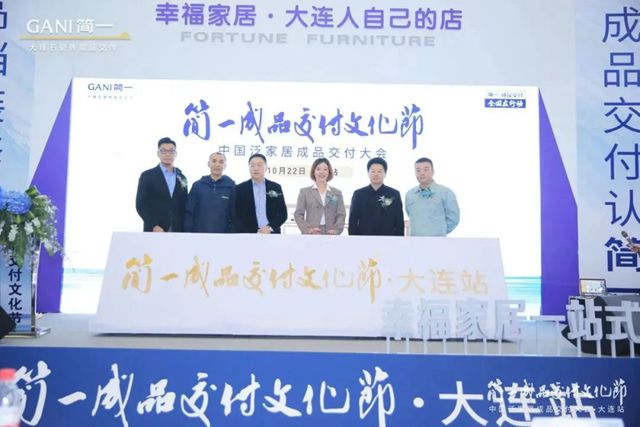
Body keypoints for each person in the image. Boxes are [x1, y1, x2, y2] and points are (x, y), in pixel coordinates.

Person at [135, 137, 188, 232]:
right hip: (155, 229)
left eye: (171, 151)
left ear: (176, 154)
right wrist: (153, 225)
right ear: (158, 153)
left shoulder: (182, 177)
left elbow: (184, 204)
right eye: (163, 151)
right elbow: (141, 205)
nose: (167, 154)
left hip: (177, 229)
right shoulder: (147, 175)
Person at [348, 157, 404, 236]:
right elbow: (352, 220)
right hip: (363, 238)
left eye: (379, 171)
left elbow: (399, 221)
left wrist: (400, 240)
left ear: (385, 173)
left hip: (388, 239)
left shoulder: (394, 194)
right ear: (368, 173)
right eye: (373, 171)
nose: (376, 174)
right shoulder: (358, 194)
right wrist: (353, 239)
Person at [405, 157, 459, 236]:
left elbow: (453, 218)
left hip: (437, 240)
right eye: (418, 170)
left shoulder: (445, 193)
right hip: (415, 240)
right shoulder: (410, 194)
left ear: (433, 171)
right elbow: (410, 214)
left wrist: (440, 231)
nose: (422, 173)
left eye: (426, 169)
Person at [235, 153, 288, 233]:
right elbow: (237, 215)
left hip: (271, 233)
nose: (256, 168)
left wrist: (269, 228)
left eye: (259, 165)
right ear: (249, 168)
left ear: (266, 168)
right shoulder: (240, 189)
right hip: (248, 235)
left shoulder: (275, 187)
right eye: (252, 165)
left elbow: (282, 213)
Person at [183, 152, 235, 233]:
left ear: (225, 166)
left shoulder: (231, 187)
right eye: (214, 161)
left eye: (221, 162)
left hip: (223, 236)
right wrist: (188, 231)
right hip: (199, 235)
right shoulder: (198, 186)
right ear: (208, 164)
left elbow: (234, 215)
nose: (217, 165)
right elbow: (189, 211)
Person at [294, 158, 346, 235]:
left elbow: (341, 214)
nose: (322, 172)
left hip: (331, 233)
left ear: (329, 172)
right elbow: (298, 214)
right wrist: (309, 230)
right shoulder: (304, 192)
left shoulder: (337, 193)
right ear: (313, 172)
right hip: (311, 234)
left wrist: (336, 230)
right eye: (318, 169)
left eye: (325, 169)